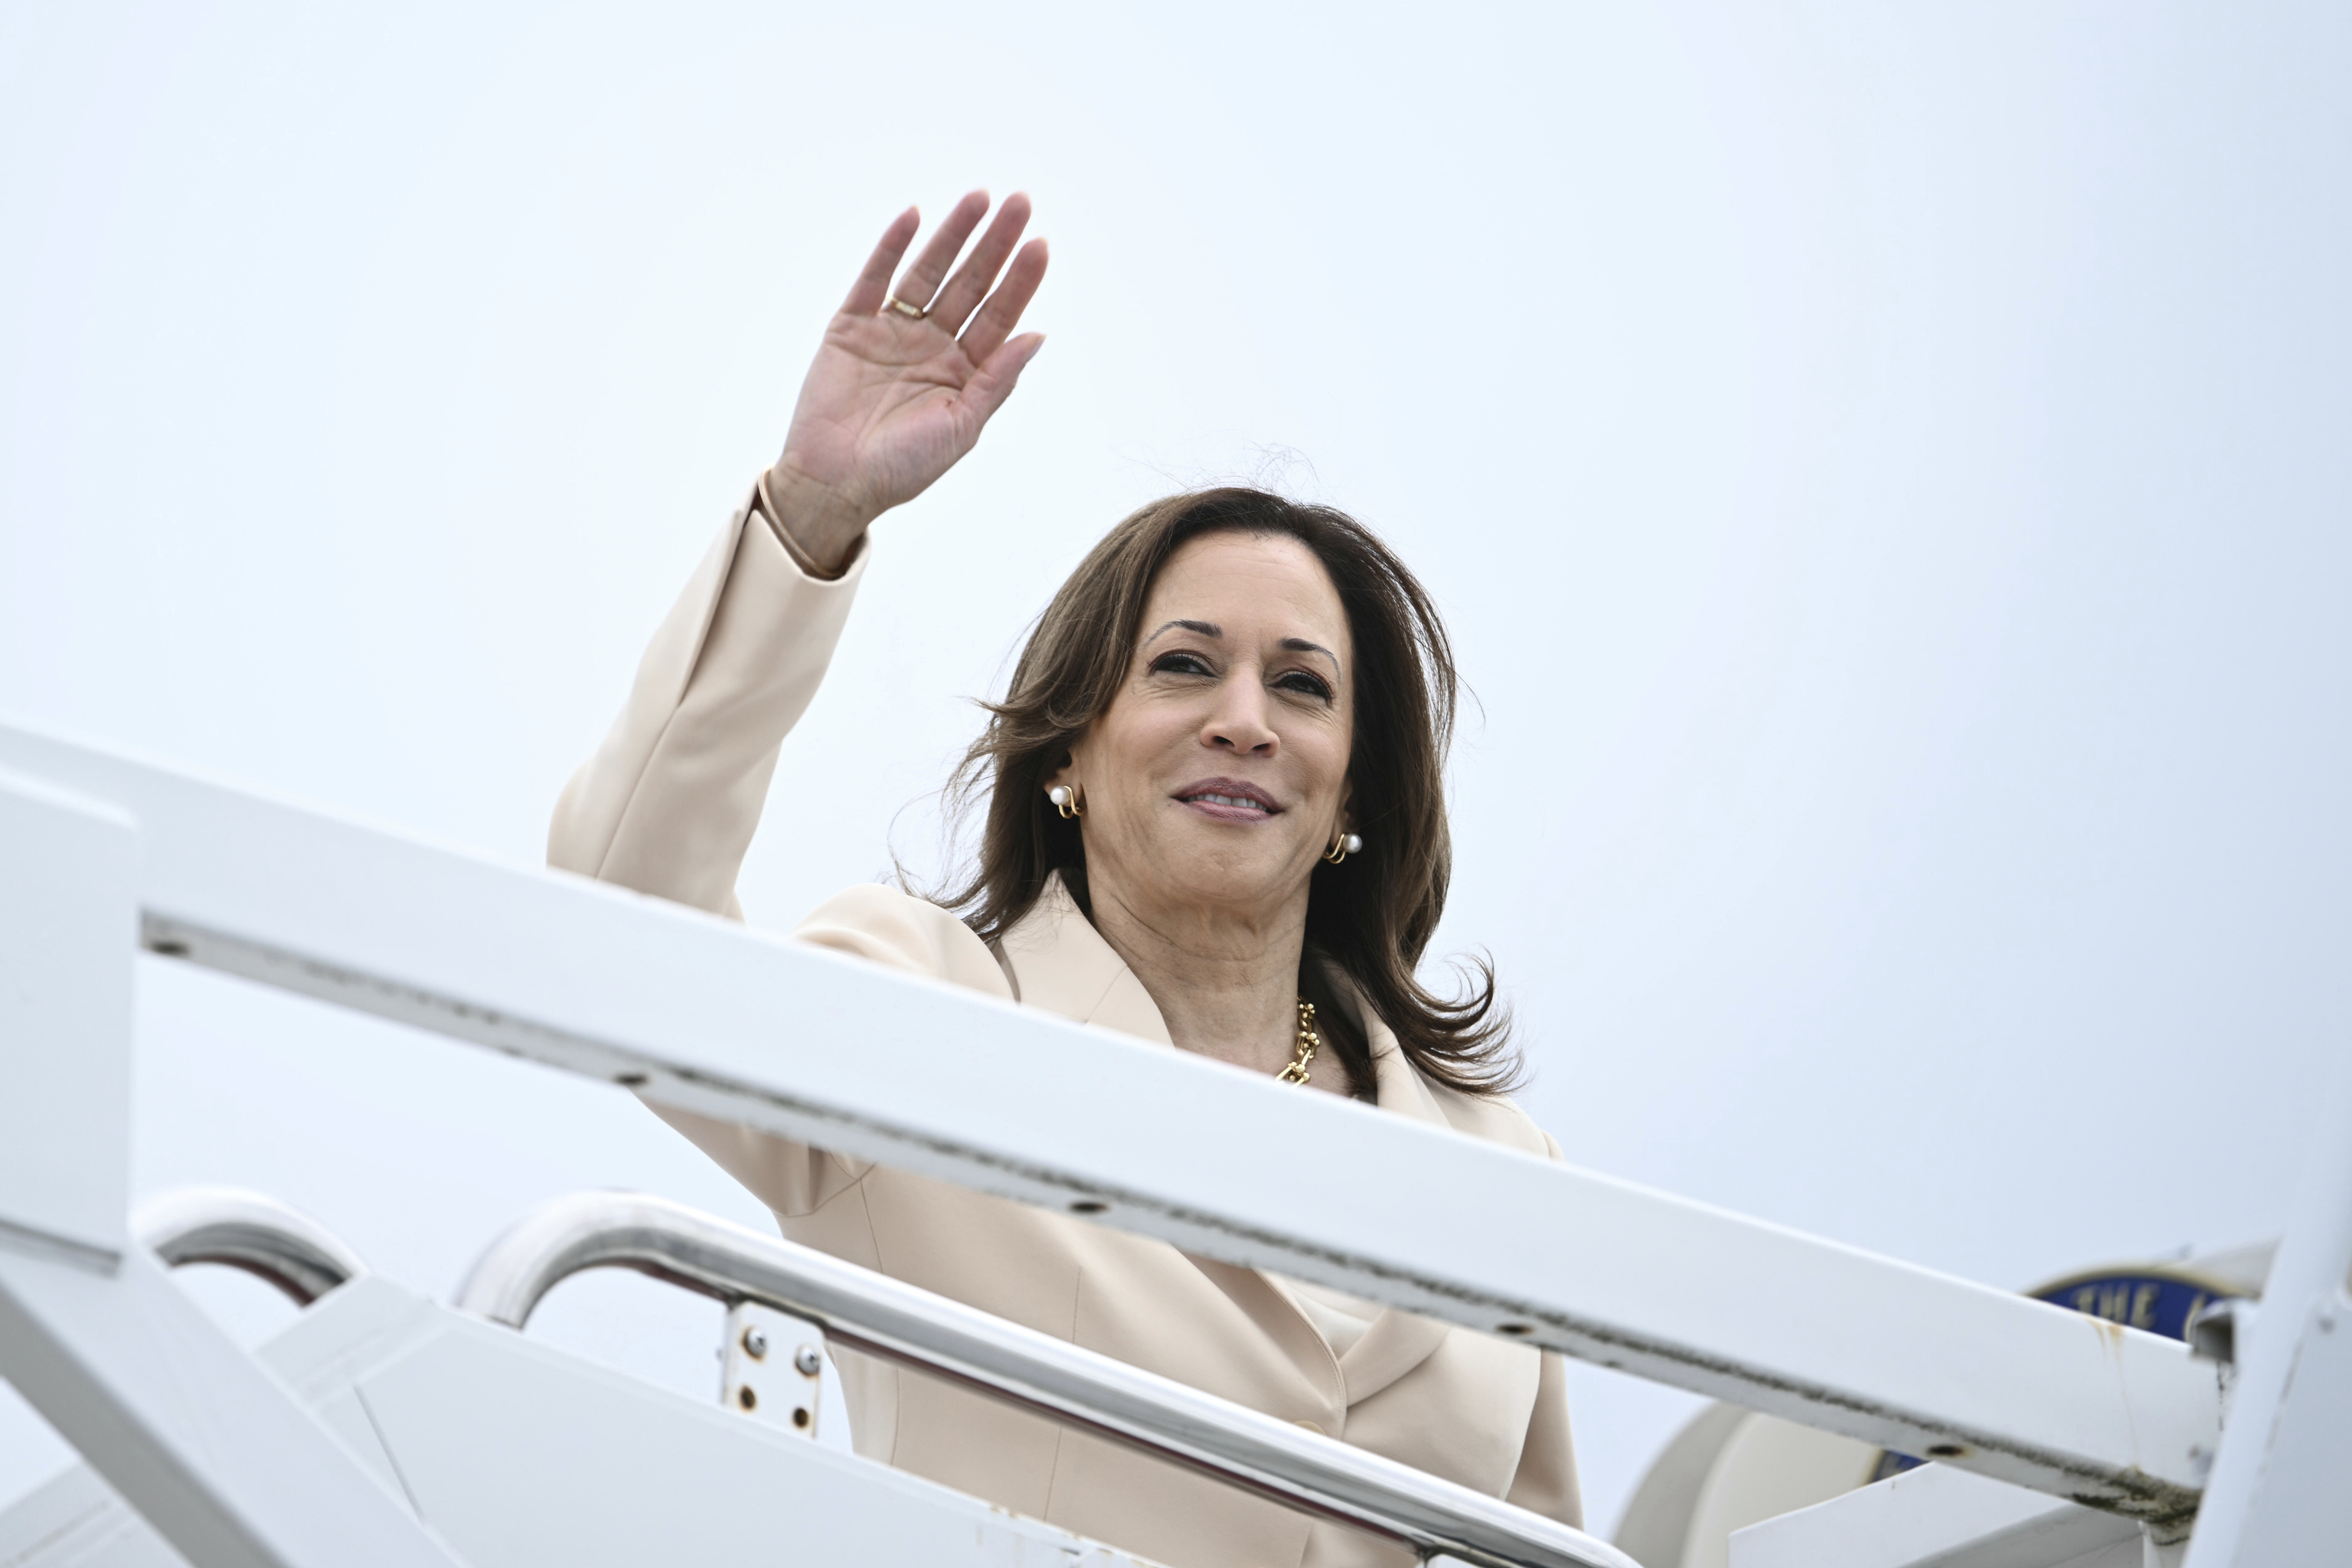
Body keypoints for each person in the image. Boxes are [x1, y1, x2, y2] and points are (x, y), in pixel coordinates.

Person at [550, 191, 1581, 1568]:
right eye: (1183, 665)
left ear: (1352, 790)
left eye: (1302, 686)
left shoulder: (1497, 1160)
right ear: (1069, 757)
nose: (1245, 721)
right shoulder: (922, 1014)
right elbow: (620, 928)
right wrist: (812, 514)